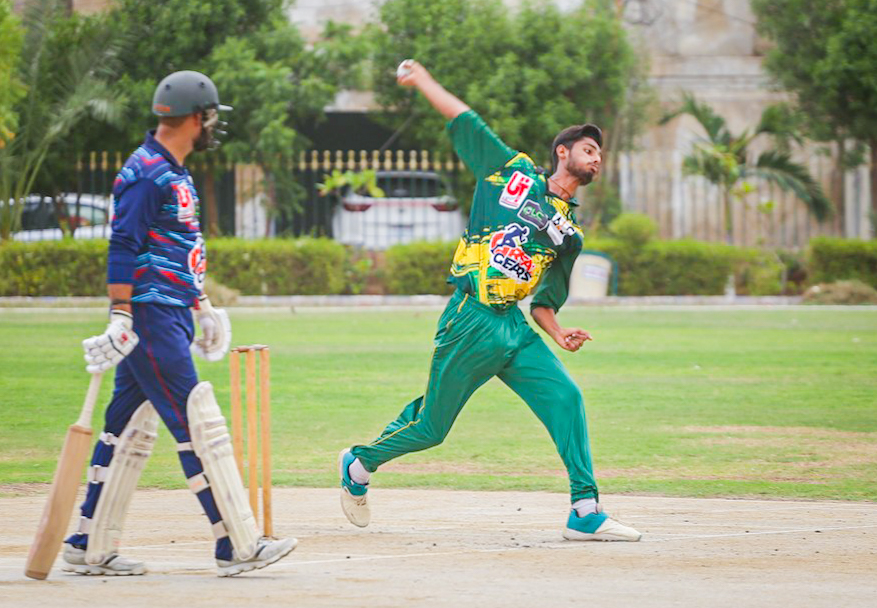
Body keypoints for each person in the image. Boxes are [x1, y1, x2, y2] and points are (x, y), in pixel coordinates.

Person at [338, 60, 641, 542]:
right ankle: (359, 463)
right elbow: (466, 120)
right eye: (589, 149)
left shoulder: (570, 235)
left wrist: (558, 334)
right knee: (432, 428)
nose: (596, 159)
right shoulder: (511, 173)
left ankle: (585, 511)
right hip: (470, 317)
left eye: (600, 154)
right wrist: (424, 81)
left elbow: (544, 303)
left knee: (566, 397)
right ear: (562, 152)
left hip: (514, 328)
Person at [63, 70, 297, 577]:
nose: (212, 127)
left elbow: (174, 248)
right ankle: (236, 543)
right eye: (210, 118)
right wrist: (122, 314)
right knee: (197, 422)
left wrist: (200, 303)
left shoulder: (171, 169)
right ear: (195, 118)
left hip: (169, 310)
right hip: (149, 317)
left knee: (125, 428)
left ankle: (87, 543)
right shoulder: (147, 172)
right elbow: (123, 244)